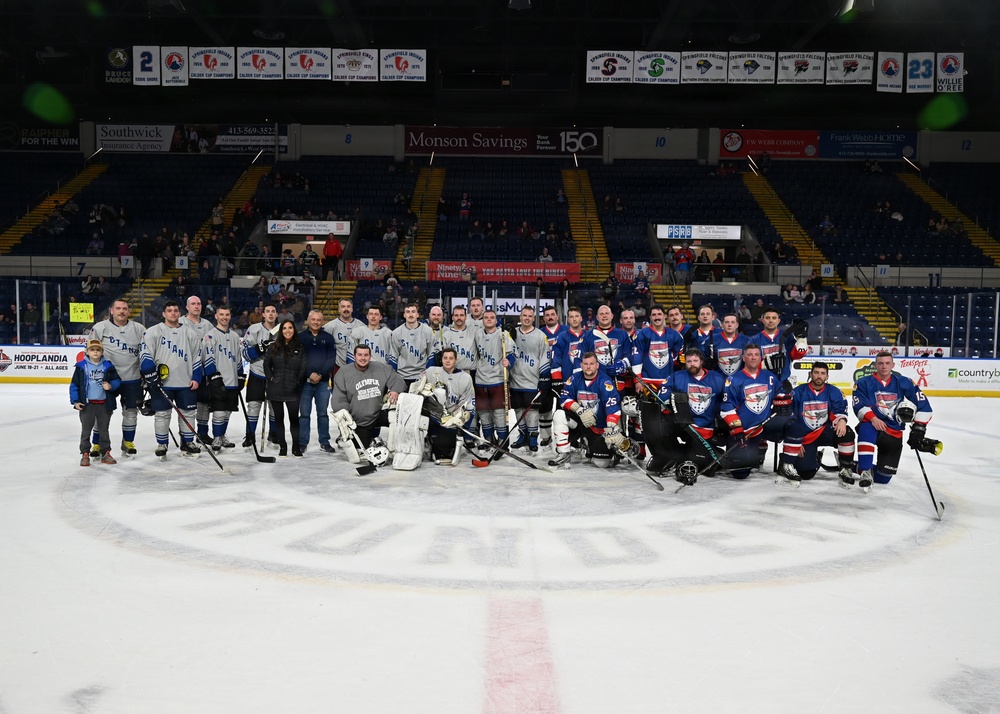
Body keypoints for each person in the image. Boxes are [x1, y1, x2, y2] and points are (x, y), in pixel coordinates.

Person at [852, 351, 938, 491]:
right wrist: (873, 418)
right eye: (880, 363)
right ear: (875, 365)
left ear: (893, 365)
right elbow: (859, 405)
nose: (884, 367)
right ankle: (865, 471)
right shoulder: (863, 383)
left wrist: (918, 429)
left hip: (894, 430)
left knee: (884, 477)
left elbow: (924, 406)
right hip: (874, 426)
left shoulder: (904, 382)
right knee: (866, 426)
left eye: (887, 363)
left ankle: (851, 465)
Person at [646, 347, 726, 483]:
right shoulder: (677, 376)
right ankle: (668, 455)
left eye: (695, 361)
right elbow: (662, 398)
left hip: (704, 429)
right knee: (659, 421)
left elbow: (726, 401)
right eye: (689, 361)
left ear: (702, 361)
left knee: (704, 466)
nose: (692, 364)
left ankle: (695, 453)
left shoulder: (717, 379)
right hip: (683, 425)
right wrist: (670, 398)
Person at [139, 300, 204, 459]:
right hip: (163, 384)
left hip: (185, 382)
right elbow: (145, 354)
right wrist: (150, 374)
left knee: (188, 413)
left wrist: (196, 377)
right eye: (169, 310)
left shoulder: (190, 334)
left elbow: (197, 357)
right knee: (162, 414)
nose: (173, 313)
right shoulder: (153, 332)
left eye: (176, 310)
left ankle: (188, 442)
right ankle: (162, 444)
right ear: (164, 314)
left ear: (179, 313)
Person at [776, 361, 857, 487]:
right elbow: (789, 417)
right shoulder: (798, 392)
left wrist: (841, 420)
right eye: (816, 373)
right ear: (810, 374)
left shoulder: (834, 391)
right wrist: (796, 441)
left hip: (825, 431)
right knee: (805, 474)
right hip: (805, 436)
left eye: (823, 373)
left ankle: (846, 467)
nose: (819, 376)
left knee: (847, 432)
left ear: (827, 376)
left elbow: (839, 410)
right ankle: (816, 457)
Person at [87, 298, 145, 458]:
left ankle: (127, 442)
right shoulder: (100, 328)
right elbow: (90, 351)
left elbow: (147, 352)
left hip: (132, 378)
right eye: (118, 308)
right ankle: (97, 444)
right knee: (102, 413)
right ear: (111, 310)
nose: (121, 311)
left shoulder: (139, 329)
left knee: (131, 412)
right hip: (107, 380)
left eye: (125, 308)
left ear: (128, 311)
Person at [330, 345, 406, 463]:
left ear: (370, 356)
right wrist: (344, 415)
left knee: (401, 416)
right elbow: (339, 398)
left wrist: (395, 390)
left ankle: (401, 447)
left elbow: (398, 380)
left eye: (366, 355)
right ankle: (366, 441)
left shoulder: (380, 368)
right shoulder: (344, 372)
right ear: (354, 356)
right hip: (359, 420)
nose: (363, 358)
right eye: (360, 355)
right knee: (360, 450)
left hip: (378, 413)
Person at [548, 352, 624, 469]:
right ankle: (564, 453)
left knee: (602, 464)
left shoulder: (605, 382)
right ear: (581, 365)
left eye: (591, 364)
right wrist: (579, 410)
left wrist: (611, 427)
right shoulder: (574, 378)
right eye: (586, 364)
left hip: (597, 427)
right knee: (559, 414)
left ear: (597, 365)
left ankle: (591, 445)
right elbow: (563, 398)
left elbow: (612, 408)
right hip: (580, 423)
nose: (588, 367)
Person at [719, 343, 784, 479]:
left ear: (761, 357)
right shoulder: (733, 379)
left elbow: (780, 396)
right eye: (749, 355)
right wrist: (737, 430)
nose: (753, 358)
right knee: (740, 473)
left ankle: (787, 462)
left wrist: (786, 396)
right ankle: (755, 451)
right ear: (743, 358)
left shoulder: (770, 377)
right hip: (744, 431)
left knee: (792, 425)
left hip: (763, 426)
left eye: (756, 354)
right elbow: (726, 407)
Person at [417, 348, 476, 464]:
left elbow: (469, 405)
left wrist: (459, 422)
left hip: (450, 419)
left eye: (451, 358)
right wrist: (421, 390)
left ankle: (444, 444)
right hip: (434, 415)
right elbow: (416, 389)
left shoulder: (465, 378)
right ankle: (428, 440)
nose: (447, 361)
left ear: (455, 360)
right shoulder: (431, 372)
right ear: (441, 359)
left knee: (445, 450)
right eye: (445, 358)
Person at [71, 340, 122, 466]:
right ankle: (85, 454)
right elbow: (74, 385)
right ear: (87, 352)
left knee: (104, 430)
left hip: (104, 404)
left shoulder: (108, 366)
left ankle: (106, 453)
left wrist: (110, 386)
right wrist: (76, 401)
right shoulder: (81, 366)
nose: (95, 352)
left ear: (102, 352)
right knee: (86, 430)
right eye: (92, 349)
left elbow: (117, 381)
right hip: (87, 405)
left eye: (98, 350)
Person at [472, 310, 516, 454]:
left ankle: (503, 442)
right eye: (486, 317)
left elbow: (512, 353)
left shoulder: (503, 335)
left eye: (492, 318)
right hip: (480, 380)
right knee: (484, 414)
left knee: (499, 414)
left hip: (498, 380)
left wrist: (508, 361)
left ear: (496, 320)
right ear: (482, 320)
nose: (489, 320)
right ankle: (489, 440)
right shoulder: (477, 334)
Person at [264, 319, 309, 457]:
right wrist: (271, 378)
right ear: (281, 331)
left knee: (294, 419)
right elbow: (266, 364)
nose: (287, 331)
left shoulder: (300, 348)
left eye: (290, 328)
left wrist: (297, 380)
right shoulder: (273, 347)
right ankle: (282, 446)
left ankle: (295, 447)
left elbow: (303, 367)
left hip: (293, 389)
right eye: (284, 328)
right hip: (275, 388)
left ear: (294, 330)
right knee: (279, 418)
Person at [508, 306, 550, 452]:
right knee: (518, 409)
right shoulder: (512, 335)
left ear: (533, 318)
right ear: (520, 317)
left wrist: (544, 377)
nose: (526, 318)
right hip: (515, 380)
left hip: (532, 381)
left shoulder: (540, 335)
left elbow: (545, 356)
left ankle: (533, 437)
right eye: (524, 315)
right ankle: (523, 435)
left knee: (532, 410)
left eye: (529, 316)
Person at [201, 306, 243, 450]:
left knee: (228, 412)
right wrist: (214, 376)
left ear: (230, 316)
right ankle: (217, 437)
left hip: (232, 381)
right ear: (216, 316)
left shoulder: (235, 336)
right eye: (221, 314)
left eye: (227, 314)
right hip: (218, 381)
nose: (224, 317)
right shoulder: (210, 336)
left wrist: (241, 376)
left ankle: (222, 435)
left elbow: (238, 358)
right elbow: (207, 358)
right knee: (219, 412)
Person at [298, 310, 338, 454]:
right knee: (304, 414)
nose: (316, 322)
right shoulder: (300, 337)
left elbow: (331, 359)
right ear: (308, 320)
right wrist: (309, 374)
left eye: (319, 320)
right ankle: (302, 442)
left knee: (323, 414)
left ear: (322, 321)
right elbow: (298, 359)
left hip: (323, 382)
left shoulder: (328, 338)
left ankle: (325, 441)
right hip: (304, 382)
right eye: (313, 319)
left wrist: (320, 374)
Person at [240, 302, 278, 449]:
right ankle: (250, 435)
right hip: (257, 374)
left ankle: (273, 433)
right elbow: (245, 354)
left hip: (275, 375)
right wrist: (259, 349)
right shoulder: (253, 329)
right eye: (267, 311)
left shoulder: (282, 330)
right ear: (263, 314)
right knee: (254, 406)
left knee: (274, 407)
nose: (270, 314)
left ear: (276, 314)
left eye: (273, 311)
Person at [179, 295, 214, 444]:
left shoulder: (208, 325)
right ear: (187, 307)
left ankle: (203, 433)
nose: (197, 306)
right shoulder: (180, 322)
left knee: (204, 403)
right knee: (186, 406)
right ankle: (186, 436)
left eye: (199, 303)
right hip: (186, 371)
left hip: (204, 371)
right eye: (193, 304)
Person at [390, 303, 439, 391]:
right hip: (402, 376)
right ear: (404, 315)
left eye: (413, 312)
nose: (411, 314)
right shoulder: (396, 333)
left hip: (421, 376)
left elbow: (431, 355)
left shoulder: (427, 331)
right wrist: (394, 377)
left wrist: (427, 375)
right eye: (408, 312)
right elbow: (393, 357)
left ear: (417, 314)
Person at [539, 306, 569, 446]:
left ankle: (564, 436)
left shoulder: (565, 332)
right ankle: (545, 437)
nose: (550, 317)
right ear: (544, 318)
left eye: (552, 314)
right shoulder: (539, 333)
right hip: (544, 374)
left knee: (562, 407)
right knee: (544, 406)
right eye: (547, 315)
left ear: (557, 316)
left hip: (562, 375)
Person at [323, 299, 364, 377]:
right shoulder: (331, 326)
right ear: (339, 309)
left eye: (348, 306)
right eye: (343, 306)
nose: (346, 309)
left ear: (352, 309)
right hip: (338, 366)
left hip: (358, 367)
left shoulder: (361, 326)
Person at [711, 313, 751, 378]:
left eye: (732, 322)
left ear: (737, 325)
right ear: (722, 324)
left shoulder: (746, 340)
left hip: (740, 380)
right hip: (718, 379)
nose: (729, 325)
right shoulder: (712, 340)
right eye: (727, 322)